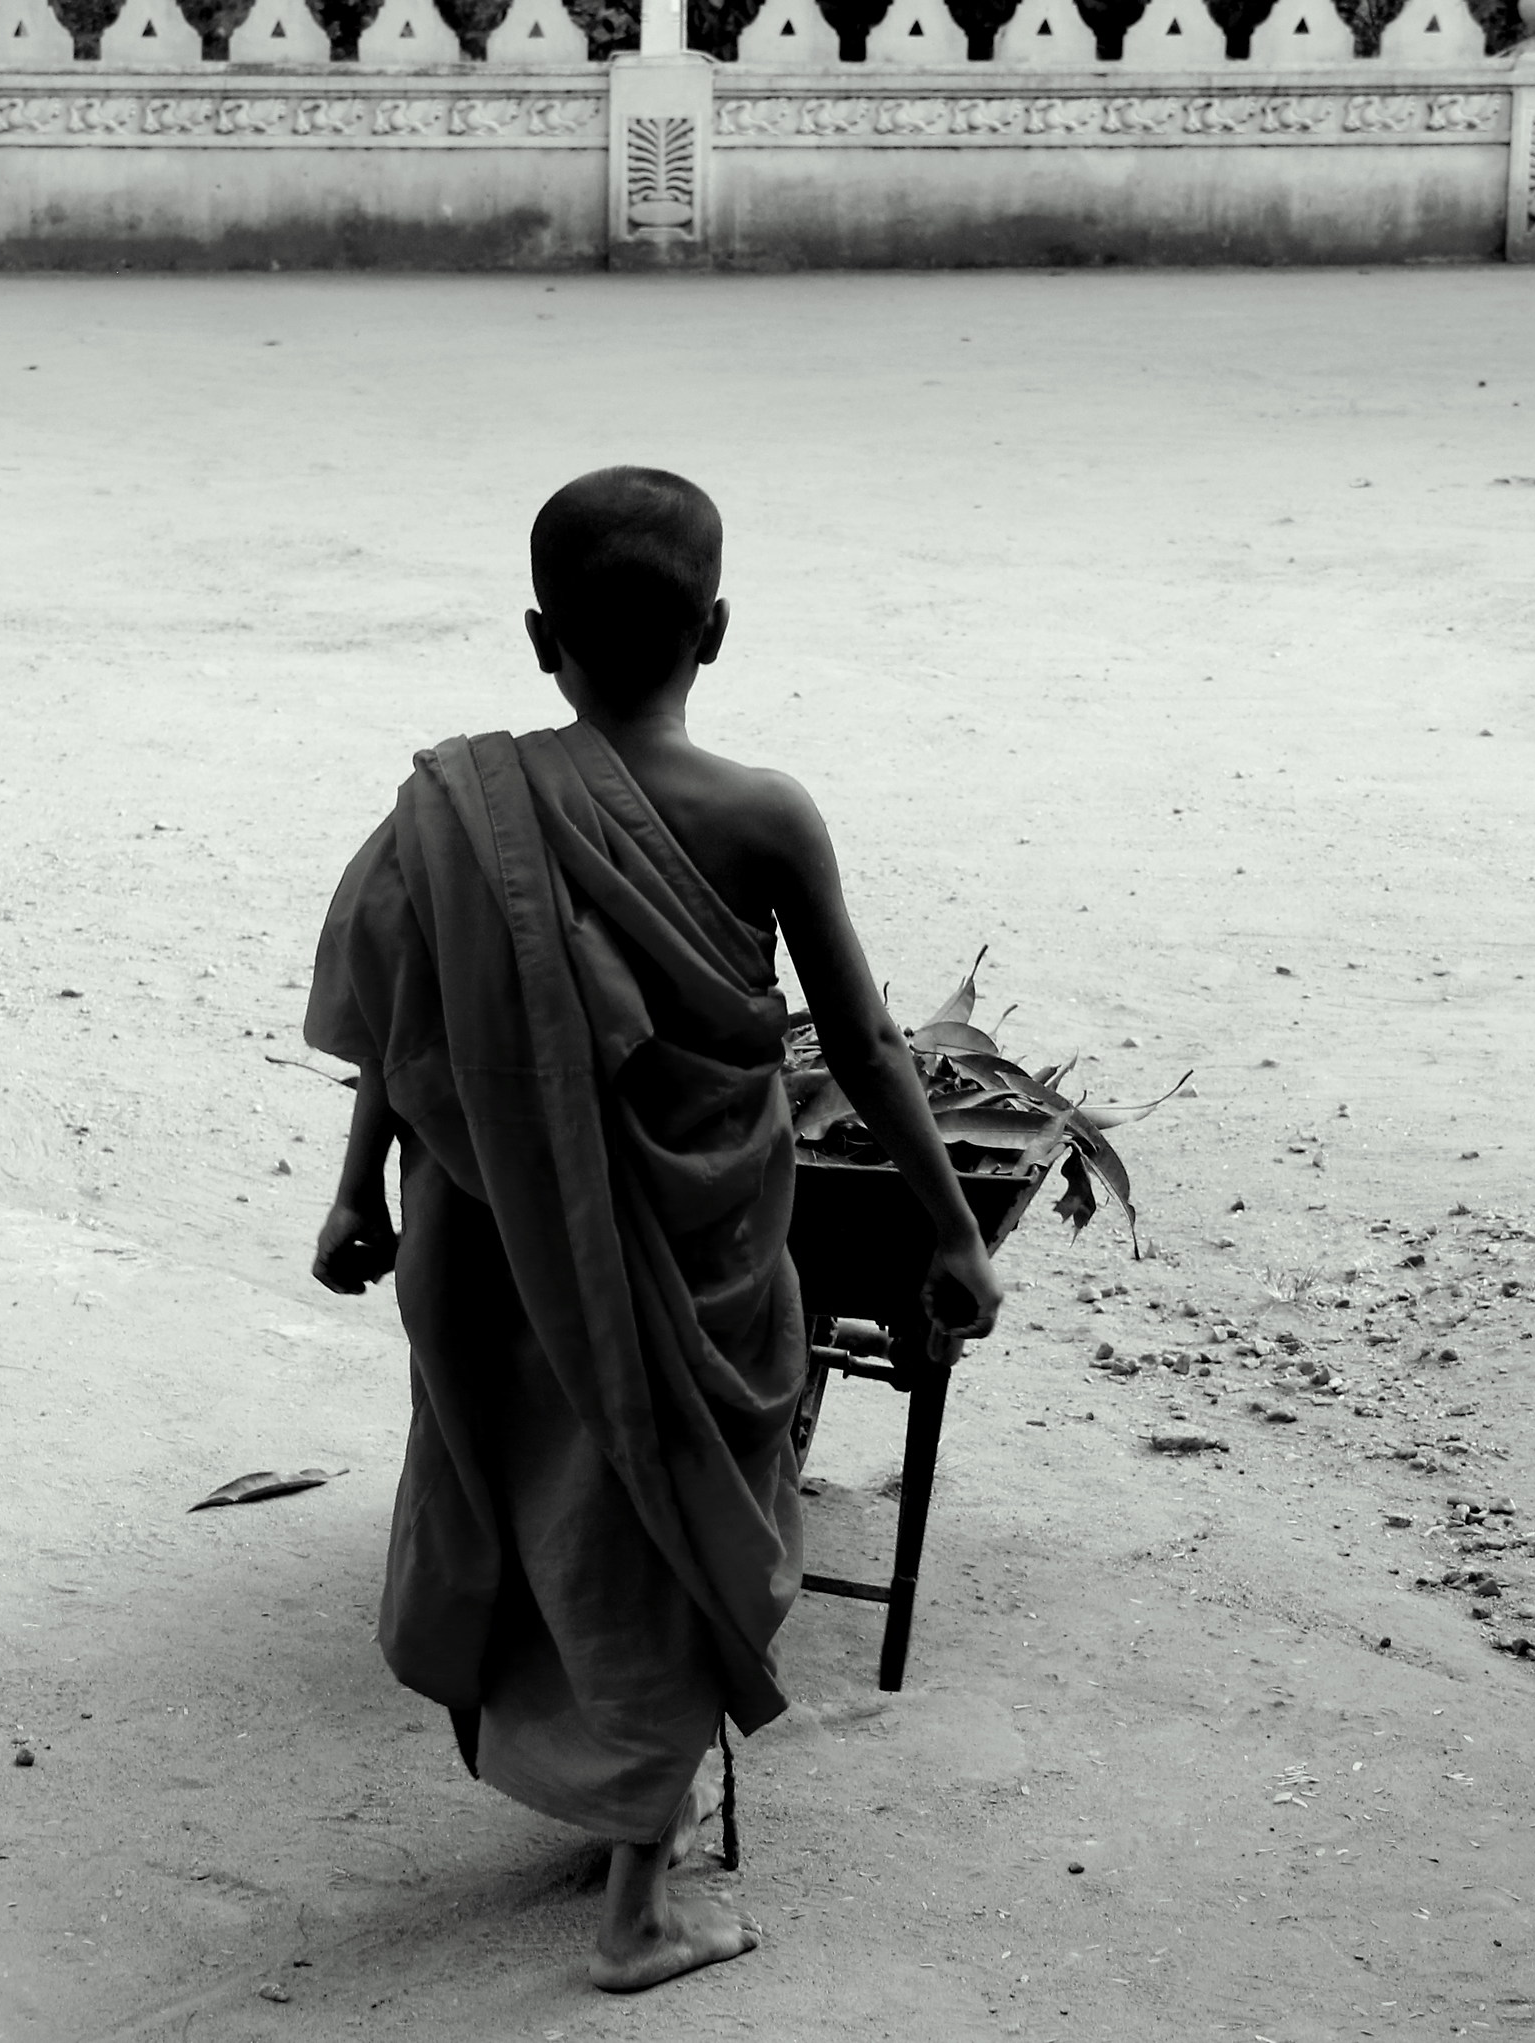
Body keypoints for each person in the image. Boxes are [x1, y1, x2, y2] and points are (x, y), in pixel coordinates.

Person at [303, 466, 1005, 1992]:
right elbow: (871, 1045)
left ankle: (613, 1794)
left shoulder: (456, 809)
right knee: (676, 1515)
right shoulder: (761, 815)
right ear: (720, 630)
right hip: (701, 1249)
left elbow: (401, 1031)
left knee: (562, 1506)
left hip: (489, 1241)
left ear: (539, 635)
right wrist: (953, 1231)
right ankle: (637, 1906)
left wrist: (354, 1191)